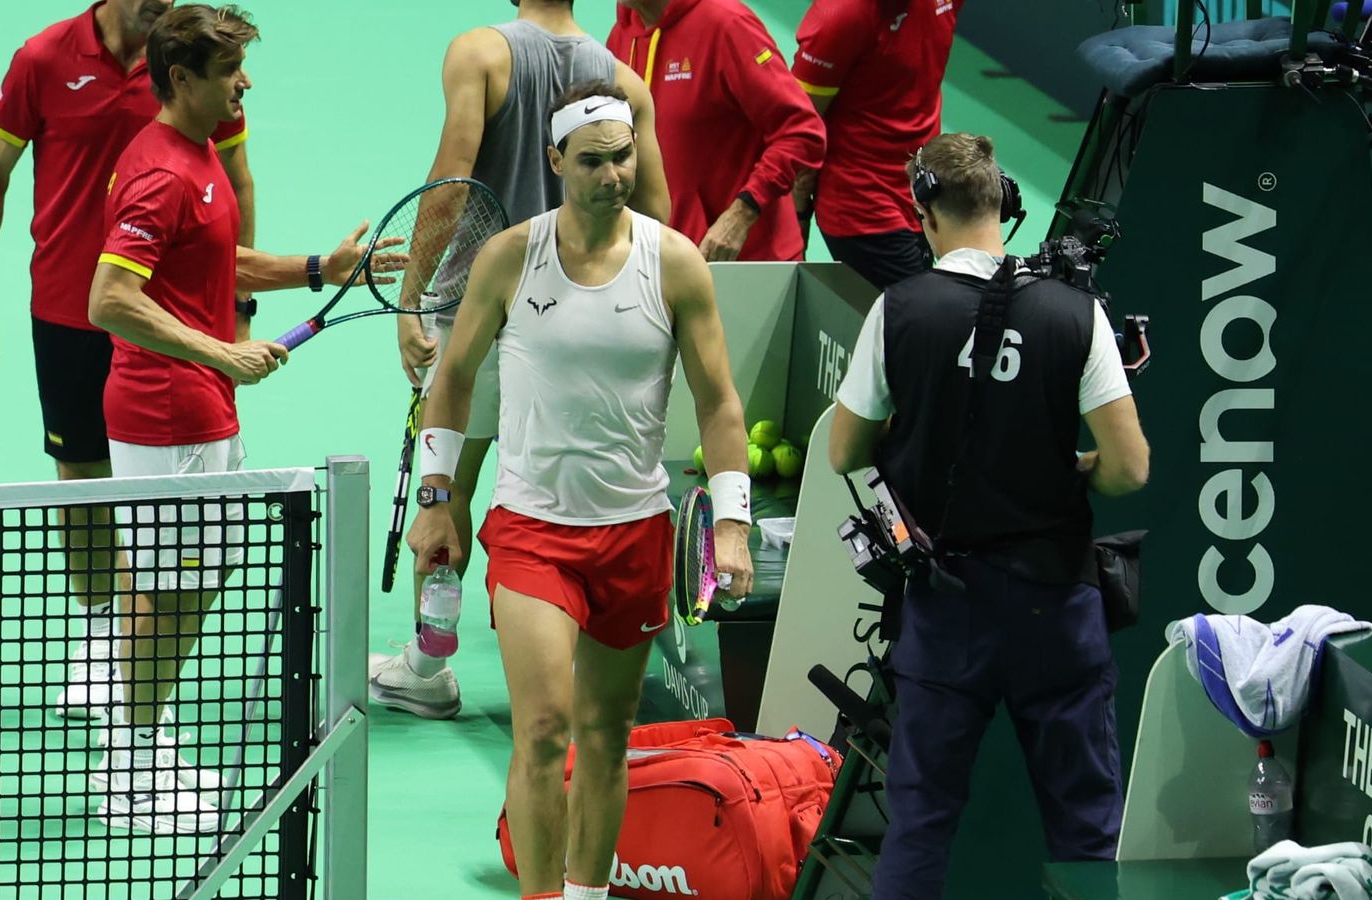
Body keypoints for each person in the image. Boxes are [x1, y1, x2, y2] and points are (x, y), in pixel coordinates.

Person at [405, 83, 753, 900]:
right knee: (543, 728)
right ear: (556, 162)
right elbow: (453, 380)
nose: (613, 175)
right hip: (532, 530)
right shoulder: (510, 258)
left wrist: (732, 522)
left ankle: (587, 894)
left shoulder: (674, 263)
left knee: (604, 736)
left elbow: (718, 402)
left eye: (622, 157)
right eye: (592, 161)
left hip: (634, 531)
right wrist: (437, 498)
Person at [86, 2, 403, 834]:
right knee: (171, 591)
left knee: (185, 584)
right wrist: (220, 352)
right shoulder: (159, 172)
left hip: (197, 406)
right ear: (181, 78)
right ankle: (129, 773)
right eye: (229, 71)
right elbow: (109, 299)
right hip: (167, 413)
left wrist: (319, 268)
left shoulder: (195, 154)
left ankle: (139, 740)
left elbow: (214, 257)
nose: (246, 83)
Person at [827, 133, 1150, 899]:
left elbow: (843, 452)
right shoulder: (1076, 314)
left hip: (946, 612)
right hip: (1056, 605)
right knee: (1087, 827)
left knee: (920, 822)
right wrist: (1073, 468)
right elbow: (1130, 468)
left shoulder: (898, 311)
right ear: (1005, 205)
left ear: (923, 212)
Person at [0, 0, 257, 723]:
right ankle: (100, 634)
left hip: (168, 317)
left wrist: (235, 305)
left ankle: (136, 663)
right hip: (71, 310)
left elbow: (234, 179)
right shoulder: (44, 59)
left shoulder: (192, 64)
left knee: (162, 496)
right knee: (85, 484)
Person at [371, 0, 672, 720]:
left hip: (480, 310)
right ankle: (575, 666)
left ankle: (429, 668)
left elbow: (450, 185)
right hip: (580, 330)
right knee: (567, 495)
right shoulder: (626, 82)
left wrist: (412, 298)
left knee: (449, 491)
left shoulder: (479, 54)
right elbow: (657, 213)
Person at [607, 0, 825, 261]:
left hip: (743, 259)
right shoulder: (622, 35)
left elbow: (802, 130)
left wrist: (742, 214)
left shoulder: (728, 25)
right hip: (664, 260)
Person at [792, 0, 964, 288]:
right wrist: (796, 216)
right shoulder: (840, 16)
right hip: (864, 205)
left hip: (923, 191)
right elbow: (798, 129)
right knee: (919, 310)